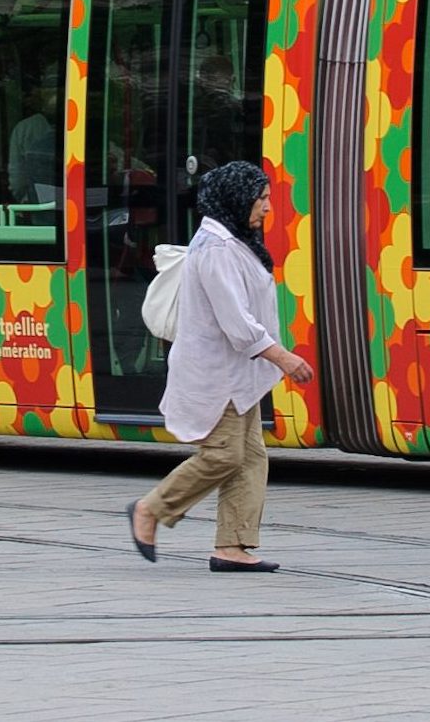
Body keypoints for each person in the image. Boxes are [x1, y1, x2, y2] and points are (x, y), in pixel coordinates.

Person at [126, 161, 310, 573]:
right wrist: (283, 357)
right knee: (224, 455)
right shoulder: (216, 250)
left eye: (266, 199)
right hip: (217, 374)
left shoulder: (235, 241)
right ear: (235, 200)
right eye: (260, 200)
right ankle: (150, 509)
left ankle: (232, 546)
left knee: (250, 457)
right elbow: (237, 324)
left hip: (237, 373)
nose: (266, 208)